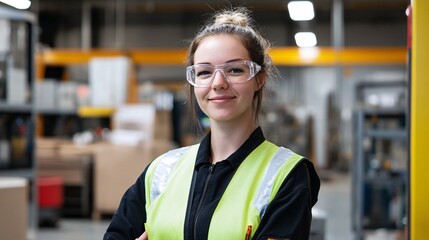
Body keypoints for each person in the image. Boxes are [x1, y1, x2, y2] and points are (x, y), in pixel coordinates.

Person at [104, 7, 320, 240]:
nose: (218, 83)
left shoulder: (287, 175)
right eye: (205, 72)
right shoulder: (161, 171)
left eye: (235, 70)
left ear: (259, 79)